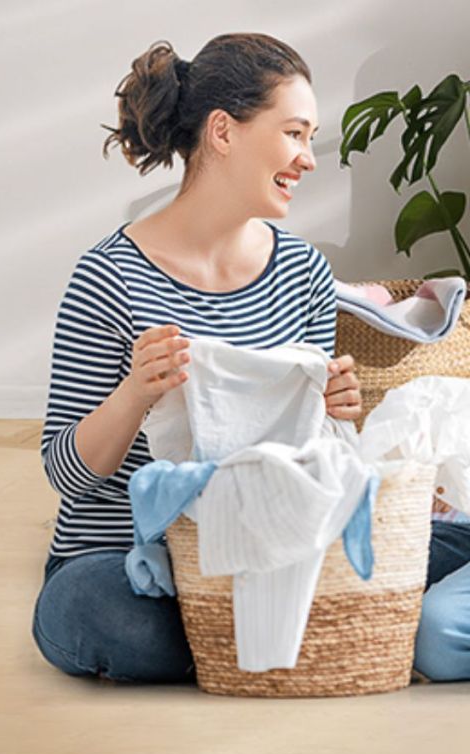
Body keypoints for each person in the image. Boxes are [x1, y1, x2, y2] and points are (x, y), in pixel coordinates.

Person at [31, 32, 373, 684]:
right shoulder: (109, 278)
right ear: (223, 131)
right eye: (294, 133)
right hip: (130, 558)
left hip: (266, 545)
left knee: (442, 542)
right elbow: (66, 476)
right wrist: (135, 393)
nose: (308, 158)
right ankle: (267, 634)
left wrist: (335, 414)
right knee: (95, 613)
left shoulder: (302, 271)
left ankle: (239, 633)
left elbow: (312, 464)